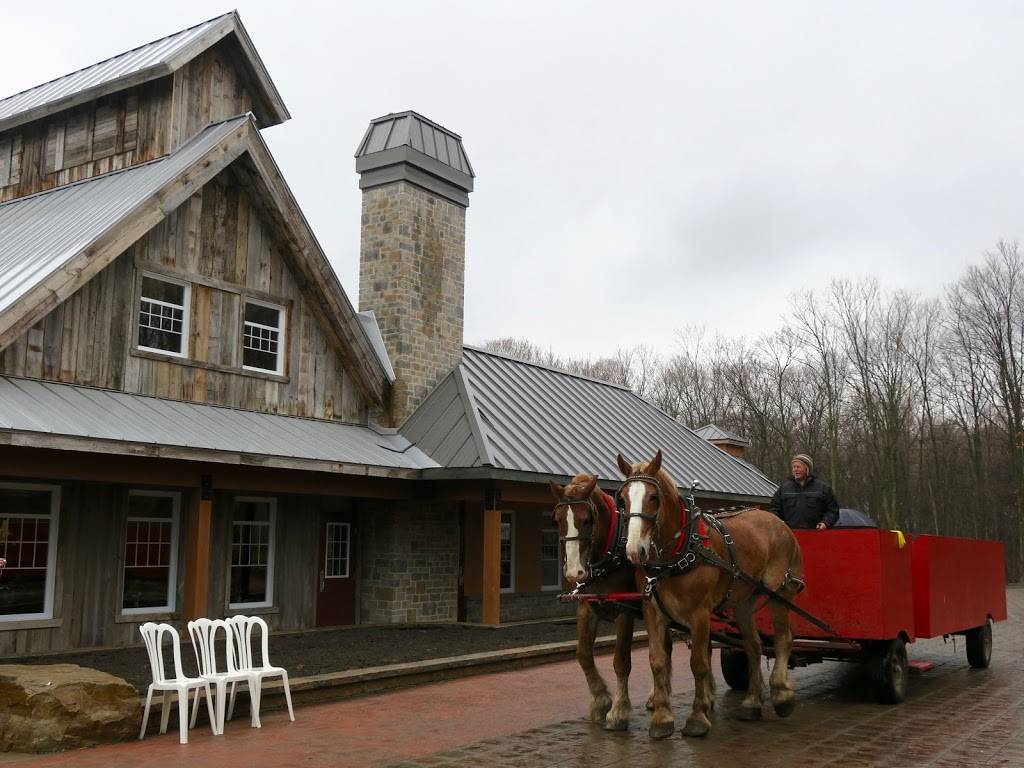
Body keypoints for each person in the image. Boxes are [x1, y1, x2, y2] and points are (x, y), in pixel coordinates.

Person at [769, 453, 839, 530]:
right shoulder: (783, 489)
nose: (795, 470)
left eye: (798, 467)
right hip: (790, 536)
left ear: (807, 469)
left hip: (816, 535)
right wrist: (778, 521)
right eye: (794, 467)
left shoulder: (823, 488)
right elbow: (773, 508)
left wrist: (825, 523)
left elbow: (833, 511)